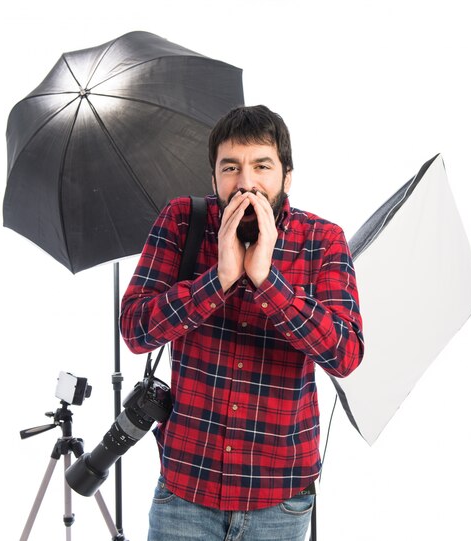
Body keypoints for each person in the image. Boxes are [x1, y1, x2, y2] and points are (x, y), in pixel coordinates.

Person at [120, 105, 364, 540]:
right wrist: (219, 279)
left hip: (280, 500)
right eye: (230, 167)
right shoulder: (181, 221)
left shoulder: (322, 239)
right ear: (213, 177)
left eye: (261, 166)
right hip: (185, 494)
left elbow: (345, 355)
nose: (246, 182)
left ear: (286, 177)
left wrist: (269, 281)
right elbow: (136, 330)